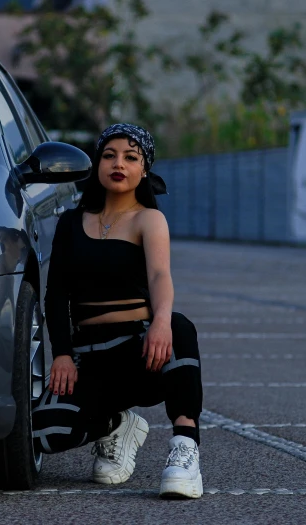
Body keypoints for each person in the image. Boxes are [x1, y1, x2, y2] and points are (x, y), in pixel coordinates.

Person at [33, 123, 204, 499]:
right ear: (97, 163)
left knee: (179, 328)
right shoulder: (70, 223)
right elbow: (55, 293)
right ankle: (117, 424)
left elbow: (160, 275)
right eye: (109, 155)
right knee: (45, 433)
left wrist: (160, 321)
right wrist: (61, 353)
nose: (119, 164)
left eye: (131, 157)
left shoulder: (149, 219)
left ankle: (185, 448)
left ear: (145, 169)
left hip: (138, 350)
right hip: (88, 357)